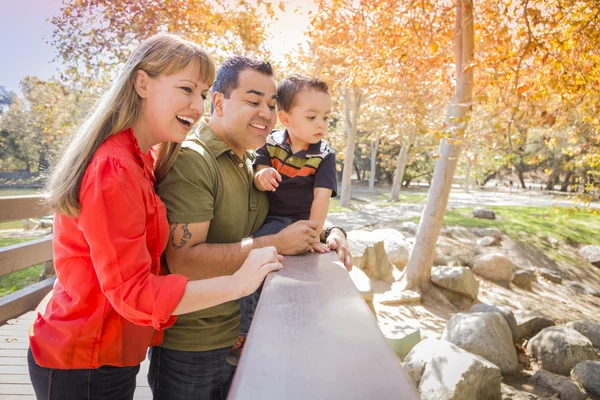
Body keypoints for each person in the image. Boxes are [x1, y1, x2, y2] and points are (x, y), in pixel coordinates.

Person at [27, 34, 282, 400]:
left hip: (114, 351)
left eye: (202, 92)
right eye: (186, 89)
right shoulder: (114, 166)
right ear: (142, 82)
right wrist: (239, 283)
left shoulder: (141, 159)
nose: (197, 106)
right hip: (83, 356)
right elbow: (132, 292)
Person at [151, 56, 351, 400]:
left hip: (248, 340)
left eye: (271, 104)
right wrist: (276, 243)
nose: (266, 113)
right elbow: (184, 261)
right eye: (253, 100)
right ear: (218, 102)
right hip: (195, 349)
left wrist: (332, 232)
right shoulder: (193, 161)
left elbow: (283, 213)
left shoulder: (251, 160)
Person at [226, 73, 337, 365]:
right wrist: (261, 174)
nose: (321, 125)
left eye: (326, 117)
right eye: (312, 116)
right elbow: (260, 164)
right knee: (255, 263)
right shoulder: (272, 142)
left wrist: (314, 233)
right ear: (286, 119)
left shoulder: (324, 155)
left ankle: (244, 333)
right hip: (267, 217)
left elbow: (321, 197)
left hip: (292, 221)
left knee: (257, 261)